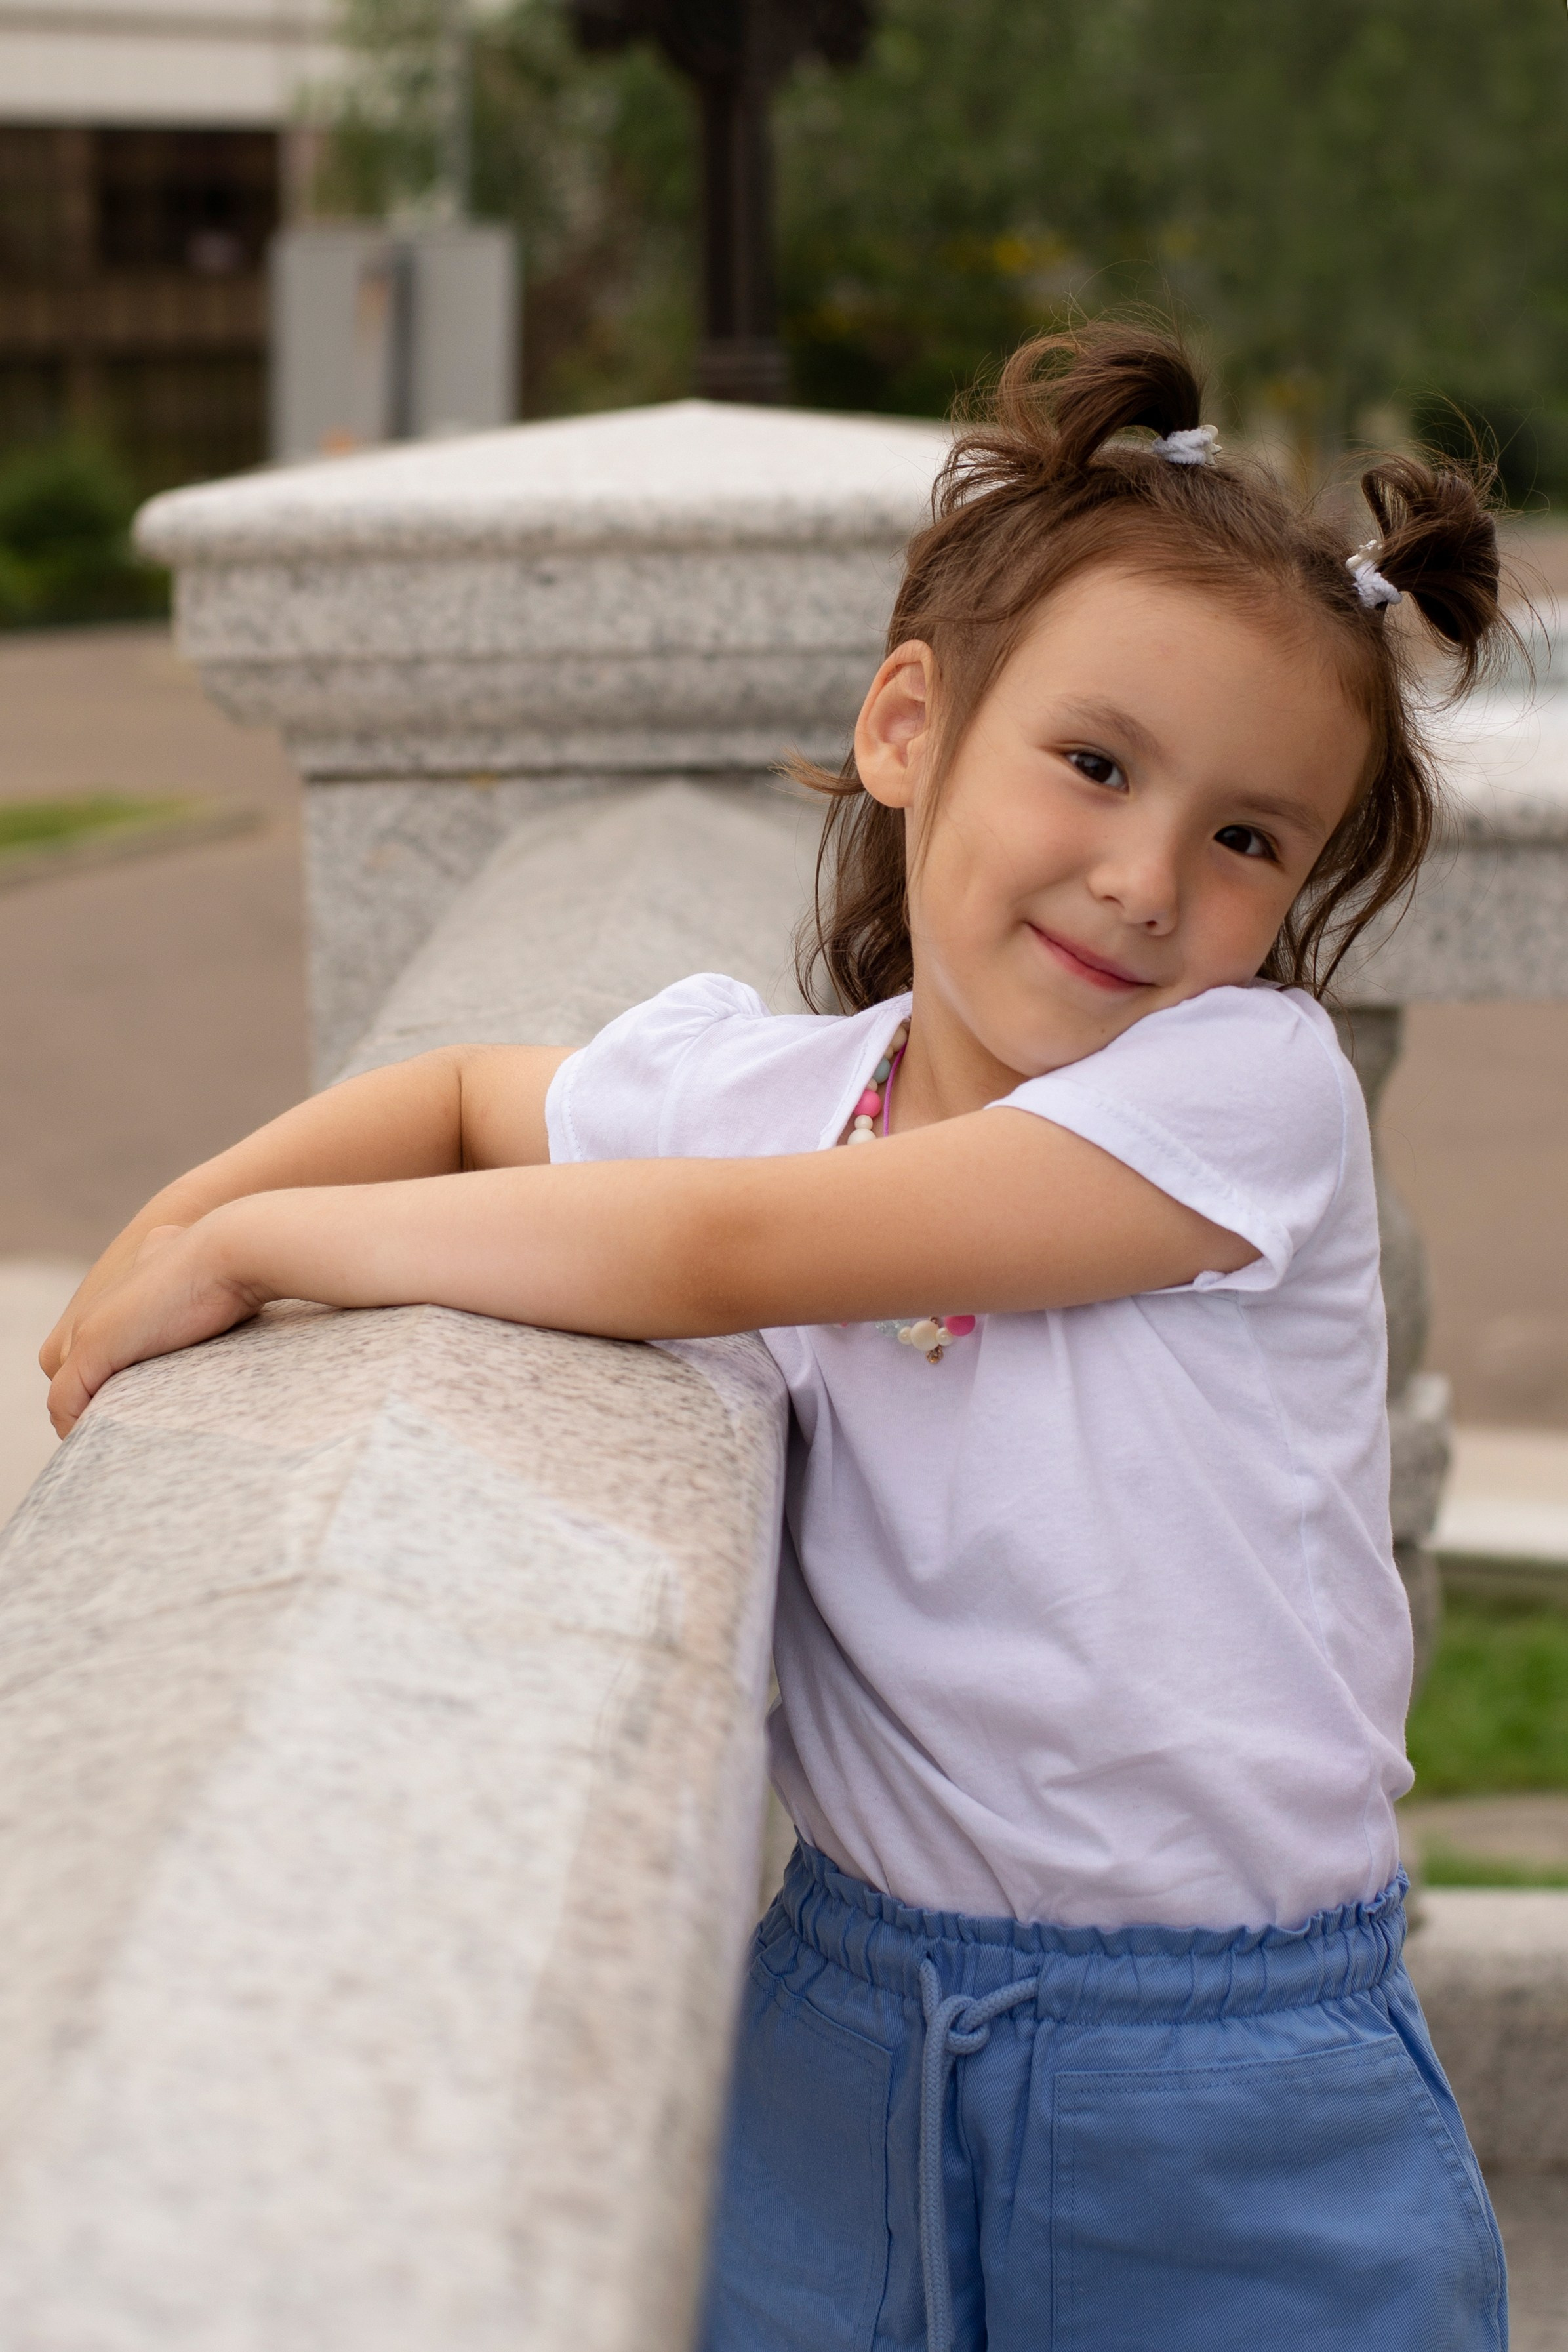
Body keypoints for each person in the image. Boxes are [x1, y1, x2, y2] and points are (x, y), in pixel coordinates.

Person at [43, 328, 1513, 2351]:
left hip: (1233, 2096)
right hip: (840, 2029)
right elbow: (473, 1086)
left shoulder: (1244, 1104)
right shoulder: (778, 1082)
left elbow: (722, 1245)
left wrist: (286, 1239)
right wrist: (190, 1215)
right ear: (910, 723)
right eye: (1092, 763)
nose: (1146, 877)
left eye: (1250, 838)